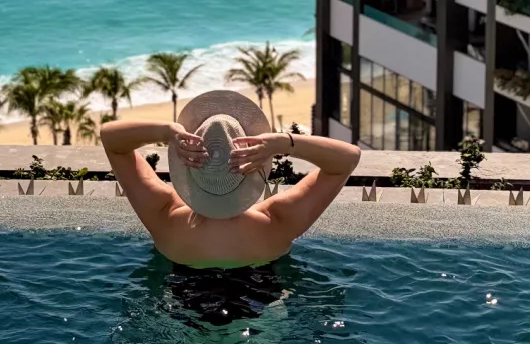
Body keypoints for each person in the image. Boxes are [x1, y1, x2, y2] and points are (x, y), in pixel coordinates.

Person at [101, 89, 361, 268]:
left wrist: (167, 131)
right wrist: (284, 142)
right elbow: (347, 159)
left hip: (186, 318)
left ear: (189, 174)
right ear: (254, 170)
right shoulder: (278, 224)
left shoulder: (163, 219)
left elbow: (111, 139)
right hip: (258, 321)